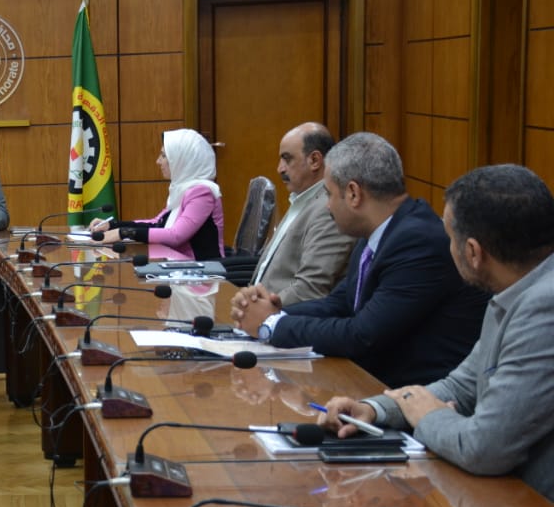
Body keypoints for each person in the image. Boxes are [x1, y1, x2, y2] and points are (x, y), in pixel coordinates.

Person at [320, 164, 554, 499]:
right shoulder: (516, 289)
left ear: (473, 253)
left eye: (449, 239)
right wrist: (374, 410)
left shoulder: (543, 306)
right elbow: (463, 385)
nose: (447, 248)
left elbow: (483, 448)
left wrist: (427, 417)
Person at [232, 132, 487, 388]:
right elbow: (341, 302)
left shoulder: (418, 242)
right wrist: (274, 310)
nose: (327, 206)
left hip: (416, 397)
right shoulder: (379, 231)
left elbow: (362, 335)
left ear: (353, 193)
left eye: (329, 194)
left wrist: (272, 324)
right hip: (371, 384)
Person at [245, 122, 353, 305]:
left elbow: (310, 289)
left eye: (287, 159)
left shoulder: (329, 210)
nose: (280, 169)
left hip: (279, 314)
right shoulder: (302, 198)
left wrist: (260, 309)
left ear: (315, 160)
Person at [89, 128, 224, 260]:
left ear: (182, 160)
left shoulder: (202, 193)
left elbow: (176, 236)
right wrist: (113, 225)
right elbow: (157, 223)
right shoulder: (182, 189)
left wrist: (123, 233)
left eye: (164, 156)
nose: (158, 161)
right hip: (178, 265)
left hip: (203, 270)